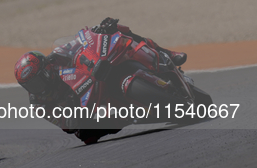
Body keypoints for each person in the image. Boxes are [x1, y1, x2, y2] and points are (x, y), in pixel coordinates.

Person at [14, 17, 187, 145]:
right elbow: (66, 125)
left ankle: (166, 53)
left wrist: (98, 30)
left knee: (117, 29)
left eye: (37, 81)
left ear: (46, 69)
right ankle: (128, 113)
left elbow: (79, 42)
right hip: (85, 112)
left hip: (96, 76)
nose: (36, 88)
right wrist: (74, 116)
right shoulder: (39, 103)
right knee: (87, 135)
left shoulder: (57, 56)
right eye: (30, 85)